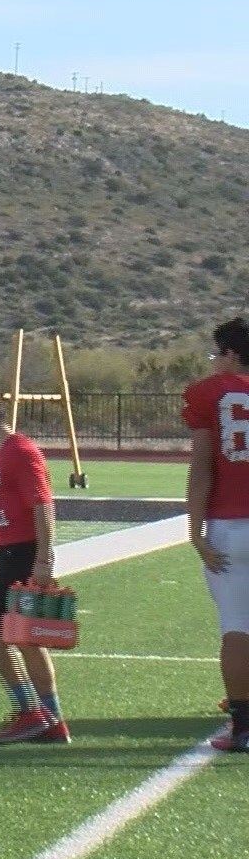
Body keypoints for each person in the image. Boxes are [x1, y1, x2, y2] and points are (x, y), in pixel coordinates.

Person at [0, 389, 69, 744]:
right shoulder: (5, 453)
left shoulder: (19, 452)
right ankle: (51, 719)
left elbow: (43, 505)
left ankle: (30, 711)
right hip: (10, 551)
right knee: (26, 639)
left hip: (20, 553)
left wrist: (44, 558)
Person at [184, 317, 249, 753]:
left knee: (237, 627)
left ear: (228, 353)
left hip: (231, 525)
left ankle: (243, 726)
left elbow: (203, 467)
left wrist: (195, 530)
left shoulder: (207, 393)